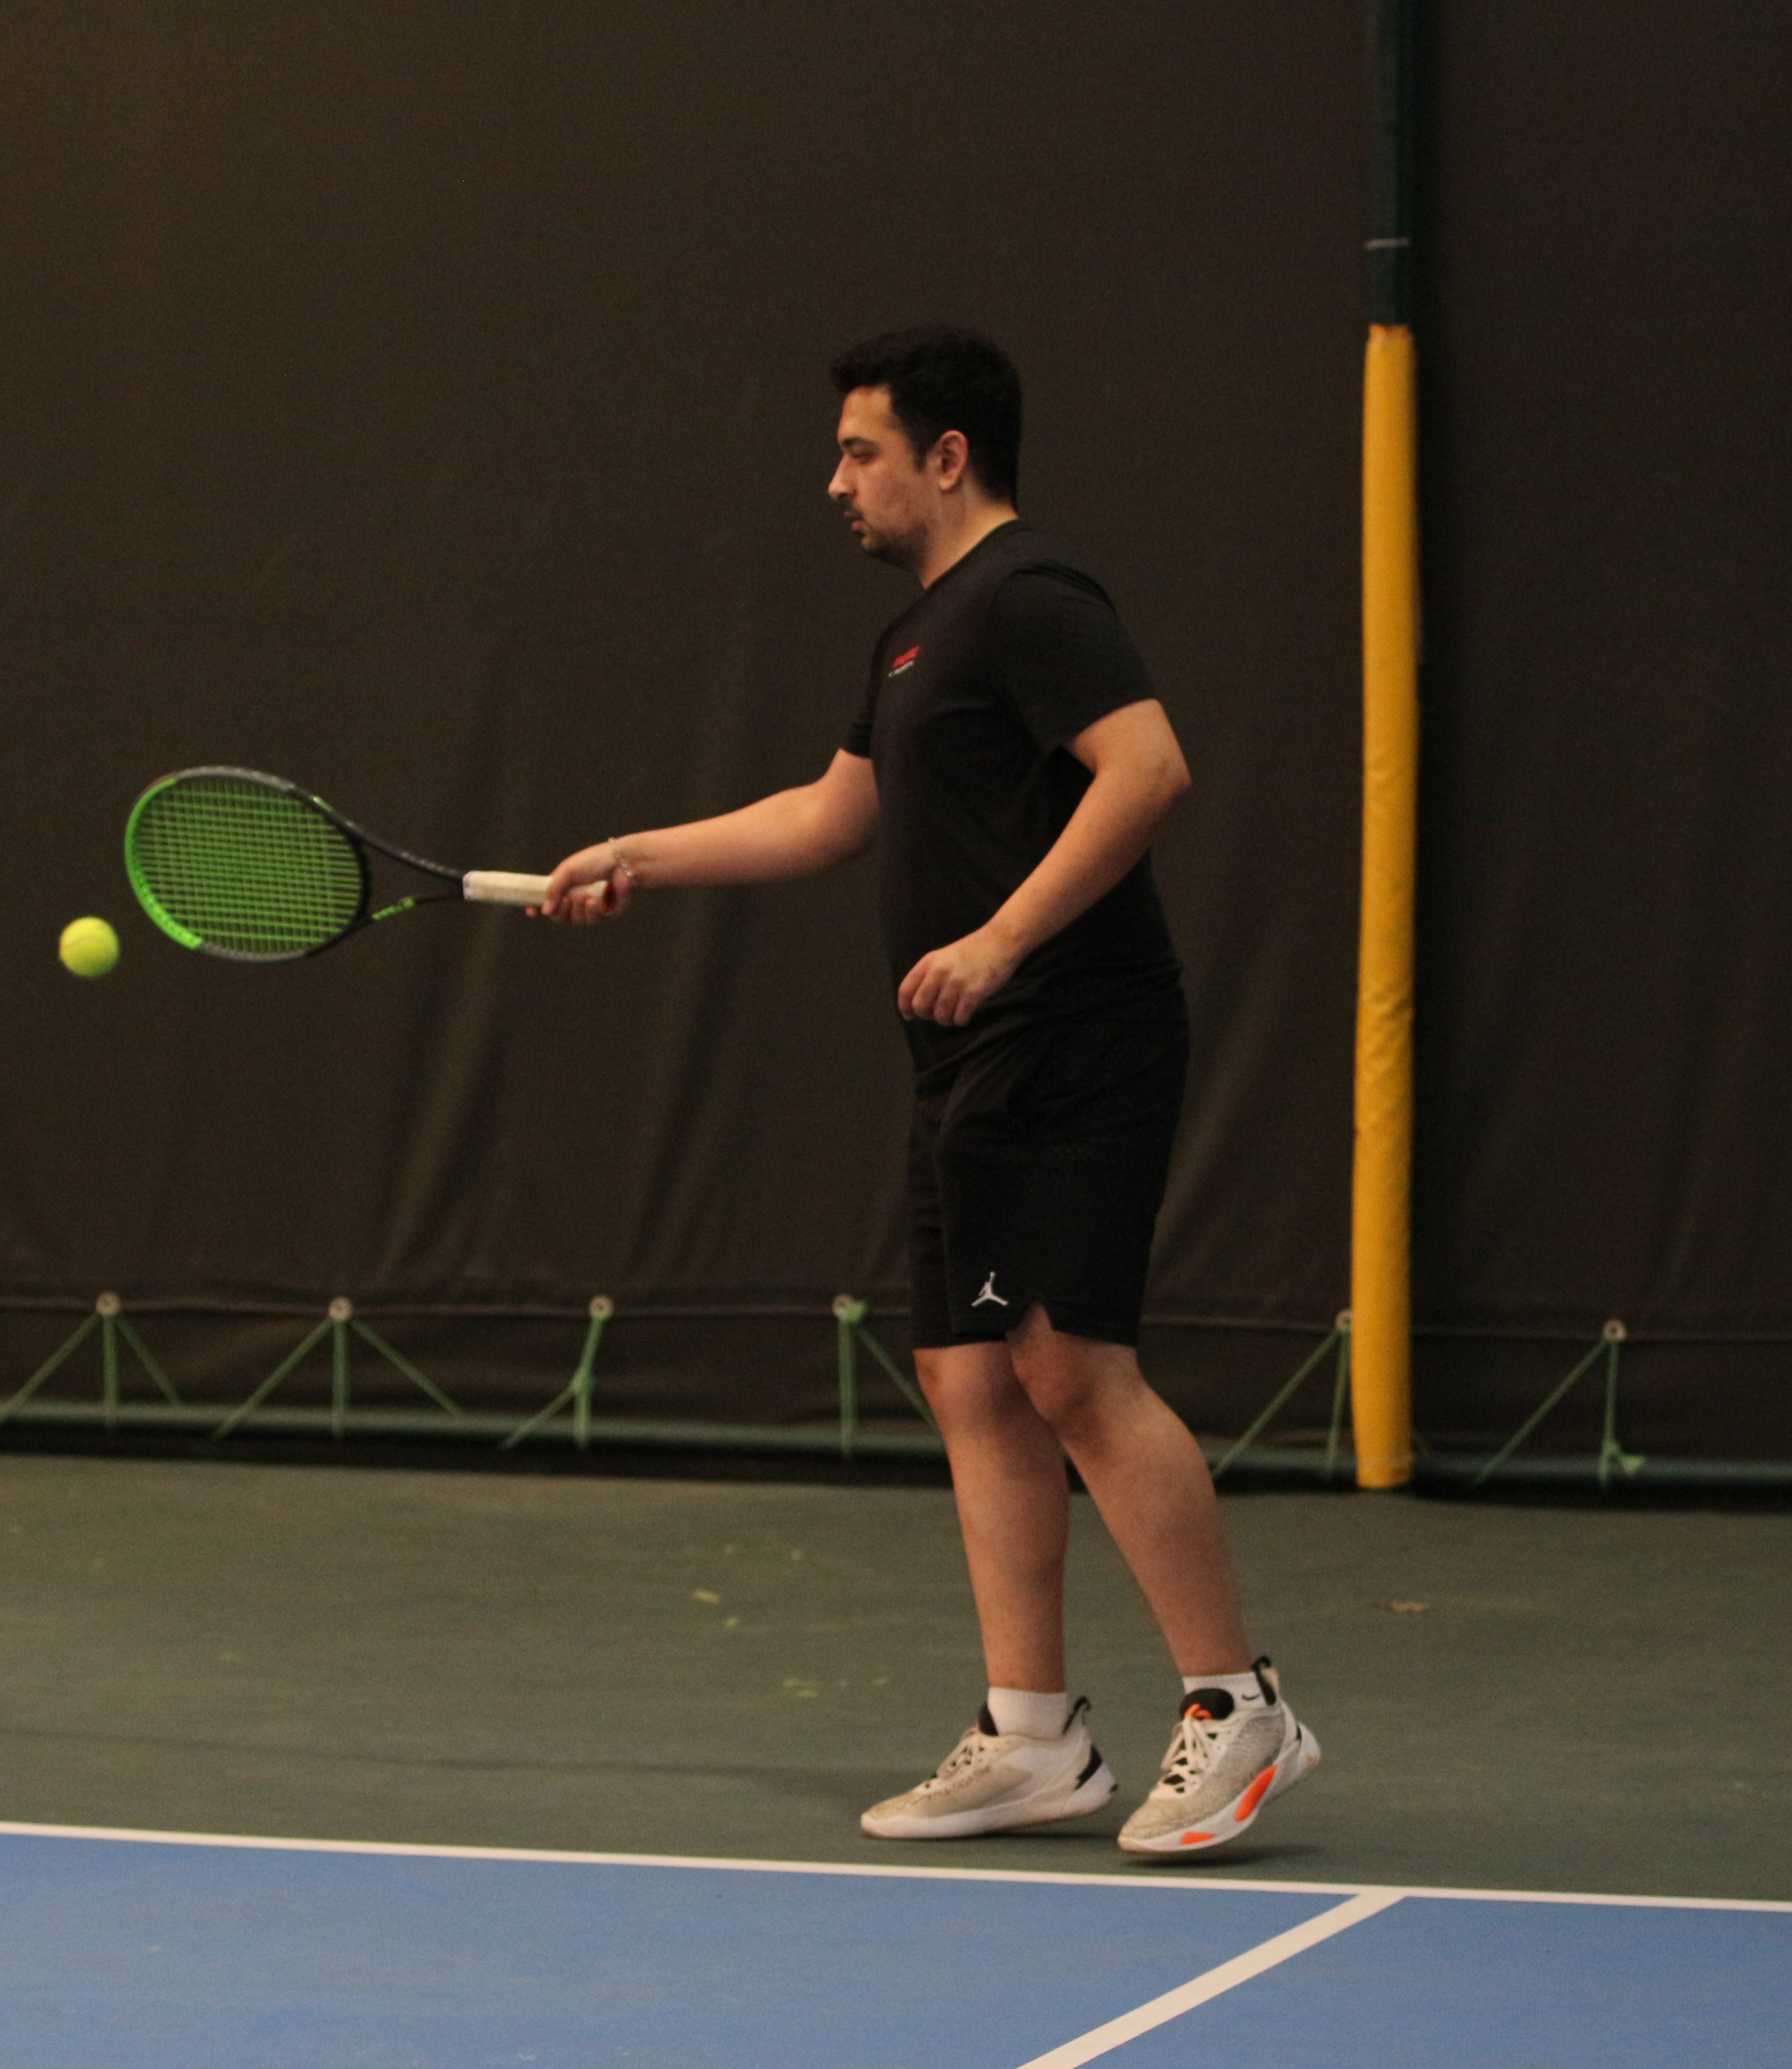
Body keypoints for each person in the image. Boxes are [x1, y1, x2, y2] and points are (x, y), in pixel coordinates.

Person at [536, 325, 1315, 1855]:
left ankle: (1240, 1708)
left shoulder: (1029, 596)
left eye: (860, 452)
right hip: (967, 1061)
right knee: (970, 1375)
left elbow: (1150, 771)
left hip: (1070, 1033)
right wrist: (637, 853)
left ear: (946, 458)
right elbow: (830, 816)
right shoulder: (916, 635)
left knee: (1071, 1367)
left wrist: (1003, 939)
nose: (837, 483)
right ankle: (1033, 1738)